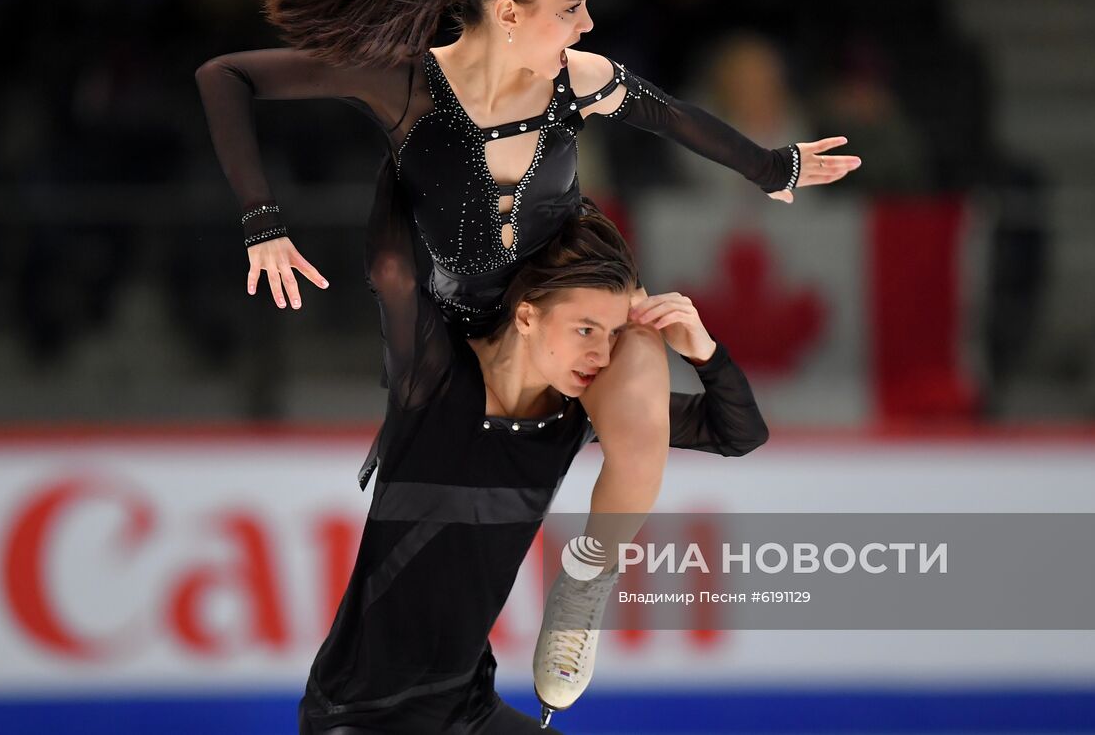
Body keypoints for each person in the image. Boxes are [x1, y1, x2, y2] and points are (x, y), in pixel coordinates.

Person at [194, 0, 860, 718]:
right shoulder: (407, 83)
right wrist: (263, 221)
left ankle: (585, 584)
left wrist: (771, 167)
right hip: (462, 324)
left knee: (642, 364)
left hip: (562, 298)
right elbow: (225, 75)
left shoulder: (575, 82)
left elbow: (676, 118)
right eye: (571, 6)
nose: (587, 22)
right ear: (508, 12)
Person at [297, 159, 768, 734]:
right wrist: (405, 150)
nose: (601, 353)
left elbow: (738, 433)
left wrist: (704, 352)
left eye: (613, 334)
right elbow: (392, 270)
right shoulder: (435, 375)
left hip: (466, 710)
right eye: (585, 329)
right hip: (358, 715)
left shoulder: (575, 414)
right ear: (526, 316)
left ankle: (590, 576)